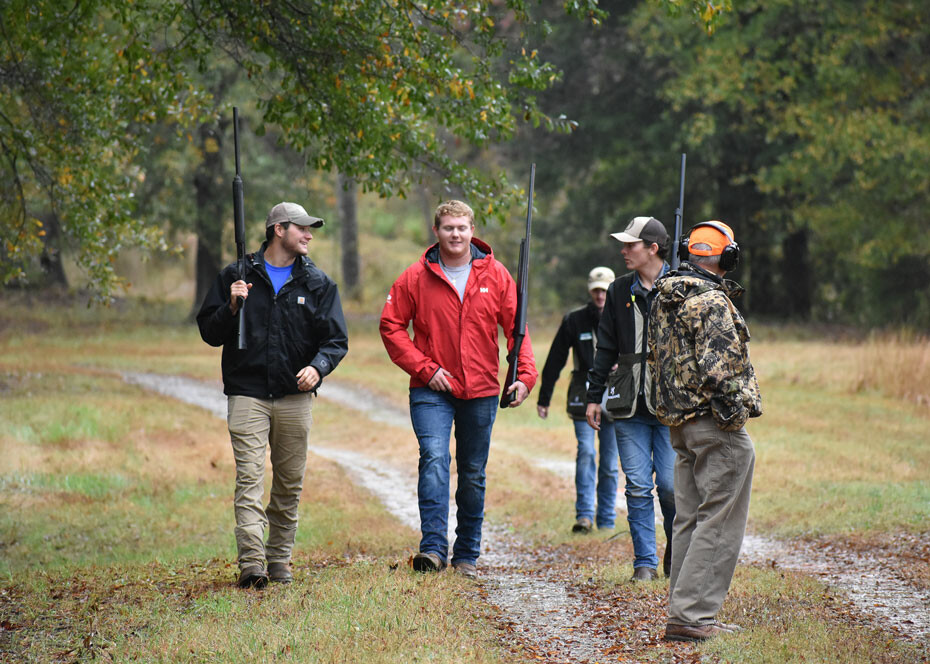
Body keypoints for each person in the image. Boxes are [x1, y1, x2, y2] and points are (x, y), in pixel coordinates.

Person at [379, 199, 537, 579]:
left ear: (472, 231)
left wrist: (525, 375)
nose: (455, 234)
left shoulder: (497, 275)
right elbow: (391, 326)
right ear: (436, 231)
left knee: (472, 472)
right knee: (434, 458)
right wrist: (424, 368)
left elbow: (517, 331)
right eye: (448, 228)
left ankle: (466, 554)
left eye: (462, 228)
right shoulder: (414, 277)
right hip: (431, 388)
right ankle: (432, 549)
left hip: (481, 389)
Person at [197, 201, 349, 589]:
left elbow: (336, 341)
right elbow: (210, 333)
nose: (309, 235)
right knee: (249, 478)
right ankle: (252, 563)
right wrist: (231, 306)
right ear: (279, 229)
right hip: (247, 392)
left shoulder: (319, 283)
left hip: (295, 396)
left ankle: (278, 559)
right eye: (302, 228)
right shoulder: (237, 274)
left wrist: (318, 367)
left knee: (288, 482)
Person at [648, 220, 762, 642]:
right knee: (720, 518)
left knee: (690, 519)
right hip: (715, 424)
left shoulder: (666, 294)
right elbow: (720, 373)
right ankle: (694, 616)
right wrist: (735, 420)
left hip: (680, 425)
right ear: (728, 257)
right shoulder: (711, 301)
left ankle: (684, 611)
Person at [585, 216, 676, 582]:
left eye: (631, 245)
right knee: (638, 485)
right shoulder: (620, 290)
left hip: (671, 405)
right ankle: (645, 564)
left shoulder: (681, 286)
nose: (623, 251)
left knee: (671, 487)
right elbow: (605, 346)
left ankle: (678, 549)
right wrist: (594, 396)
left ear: (652, 248)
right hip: (627, 402)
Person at [537, 266, 619, 534]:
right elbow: (555, 358)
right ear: (589, 290)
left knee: (608, 462)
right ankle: (584, 516)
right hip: (583, 395)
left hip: (617, 395)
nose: (599, 296)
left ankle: (606, 519)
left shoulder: (623, 317)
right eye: (595, 290)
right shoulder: (574, 320)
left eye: (604, 290)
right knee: (586, 452)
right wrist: (544, 397)